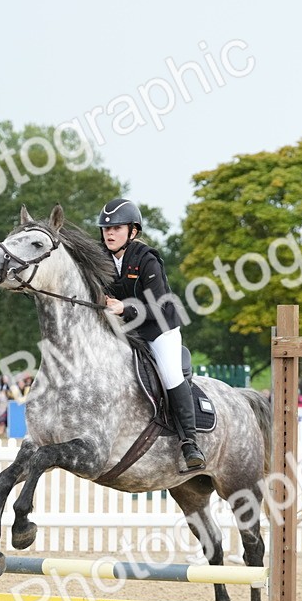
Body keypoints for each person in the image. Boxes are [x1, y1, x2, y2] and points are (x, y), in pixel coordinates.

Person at [98, 197, 204, 470]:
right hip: (127, 330)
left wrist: (124, 308)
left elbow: (157, 305)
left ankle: (189, 443)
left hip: (160, 328)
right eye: (106, 229)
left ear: (133, 232)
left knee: (170, 373)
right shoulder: (101, 258)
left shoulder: (146, 260)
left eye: (117, 228)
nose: (109, 233)